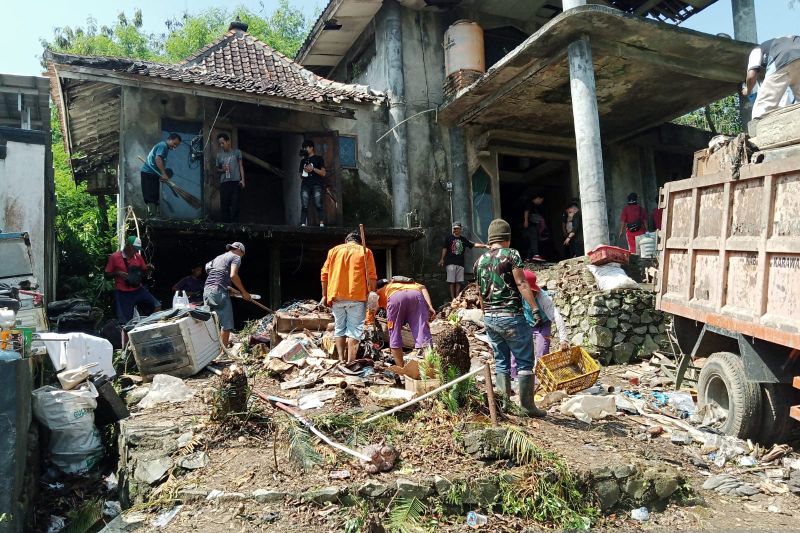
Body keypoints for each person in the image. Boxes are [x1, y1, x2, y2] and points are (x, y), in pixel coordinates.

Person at [473, 218, 546, 418]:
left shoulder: (479, 261)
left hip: (490, 317)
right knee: (524, 362)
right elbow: (522, 283)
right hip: (511, 316)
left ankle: (504, 406)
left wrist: (486, 314)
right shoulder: (511, 255)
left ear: (490, 239)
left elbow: (479, 293)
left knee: (501, 362)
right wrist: (534, 308)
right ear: (507, 238)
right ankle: (527, 406)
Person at [321, 231, 377, 362]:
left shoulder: (333, 251)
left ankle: (341, 359)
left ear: (346, 240)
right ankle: (350, 361)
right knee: (354, 331)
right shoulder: (365, 251)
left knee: (339, 328)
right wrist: (372, 293)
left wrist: (325, 295)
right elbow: (371, 276)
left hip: (336, 296)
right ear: (359, 242)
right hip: (356, 296)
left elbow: (324, 275)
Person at [375, 277, 435, 366]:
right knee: (423, 333)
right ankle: (430, 368)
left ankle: (402, 369)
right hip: (415, 295)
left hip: (395, 298)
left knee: (394, 334)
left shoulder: (379, 291)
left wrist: (369, 321)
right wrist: (430, 306)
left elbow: (372, 309)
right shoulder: (410, 284)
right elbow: (423, 288)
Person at [104, 236, 161, 324]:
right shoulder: (114, 257)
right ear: (128, 246)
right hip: (122, 292)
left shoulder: (138, 257)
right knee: (125, 321)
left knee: (157, 306)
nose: (135, 251)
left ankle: (152, 326)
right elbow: (107, 275)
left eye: (137, 249)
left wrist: (149, 268)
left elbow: (143, 272)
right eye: (134, 249)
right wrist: (117, 273)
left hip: (137, 289)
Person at [204, 242, 251, 348]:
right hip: (219, 293)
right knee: (226, 325)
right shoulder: (236, 257)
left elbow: (211, 271)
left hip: (207, 291)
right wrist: (244, 292)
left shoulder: (218, 258)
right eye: (242, 255)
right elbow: (233, 275)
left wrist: (228, 288)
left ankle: (211, 351)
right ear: (240, 251)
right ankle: (223, 353)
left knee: (209, 323)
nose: (241, 257)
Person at [742, 36, 800, 119]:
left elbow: (751, 76)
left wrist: (748, 90)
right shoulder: (780, 41)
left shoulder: (757, 50)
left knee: (762, 109)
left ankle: (758, 126)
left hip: (782, 59)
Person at [438, 222, 488, 300]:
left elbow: (473, 245)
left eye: (456, 228)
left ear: (460, 229)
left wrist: (484, 246)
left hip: (460, 263)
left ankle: (457, 298)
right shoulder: (448, 238)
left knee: (459, 282)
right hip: (451, 263)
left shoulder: (463, 239)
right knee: (451, 282)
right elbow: (445, 248)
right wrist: (442, 259)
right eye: (454, 228)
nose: (455, 230)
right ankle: (453, 298)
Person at [140, 133, 182, 216]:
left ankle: (155, 215)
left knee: (155, 195)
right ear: (169, 139)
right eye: (174, 144)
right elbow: (158, 159)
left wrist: (160, 174)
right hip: (148, 173)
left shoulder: (165, 147)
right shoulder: (163, 146)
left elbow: (158, 162)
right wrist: (163, 174)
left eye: (176, 146)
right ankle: (152, 216)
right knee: (150, 196)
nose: (175, 147)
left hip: (153, 174)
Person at [216, 133, 245, 222]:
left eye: (223, 143)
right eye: (220, 144)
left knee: (235, 204)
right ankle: (226, 225)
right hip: (224, 183)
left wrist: (243, 180)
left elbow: (240, 166)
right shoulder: (219, 155)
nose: (221, 145)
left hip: (235, 182)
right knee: (225, 205)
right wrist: (223, 170)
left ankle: (235, 225)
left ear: (228, 141)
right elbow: (217, 169)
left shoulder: (237, 152)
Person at [299, 140, 327, 227]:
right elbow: (301, 176)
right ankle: (303, 224)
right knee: (304, 205)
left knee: (318, 204)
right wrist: (305, 171)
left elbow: (323, 173)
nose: (305, 149)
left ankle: (321, 223)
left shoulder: (319, 158)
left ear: (311, 148)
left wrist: (313, 169)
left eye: (306, 147)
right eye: (304, 148)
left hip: (316, 184)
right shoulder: (303, 161)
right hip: (305, 184)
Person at [523, 193, 551, 262]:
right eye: (541, 201)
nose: (541, 202)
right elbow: (526, 211)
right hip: (531, 226)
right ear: (538, 198)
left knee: (533, 241)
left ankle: (528, 258)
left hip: (534, 226)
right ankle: (536, 255)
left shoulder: (535, 206)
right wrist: (526, 221)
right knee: (534, 240)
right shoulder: (530, 204)